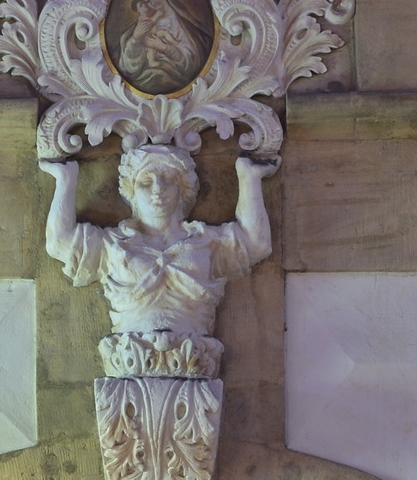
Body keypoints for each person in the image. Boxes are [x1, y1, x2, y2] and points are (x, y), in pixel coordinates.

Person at [40, 144, 276, 347]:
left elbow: (257, 243)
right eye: (146, 181)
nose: (158, 189)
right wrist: (65, 179)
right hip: (128, 355)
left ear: (183, 189)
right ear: (131, 190)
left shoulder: (205, 241)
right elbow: (60, 242)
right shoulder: (113, 244)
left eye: (169, 180)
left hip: (196, 356)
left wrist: (249, 178)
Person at [113, 0, 214, 93]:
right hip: (148, 77)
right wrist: (135, 39)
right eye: (147, 1)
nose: (152, 2)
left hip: (177, 77)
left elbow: (192, 61)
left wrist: (164, 48)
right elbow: (128, 66)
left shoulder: (184, 22)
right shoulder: (146, 22)